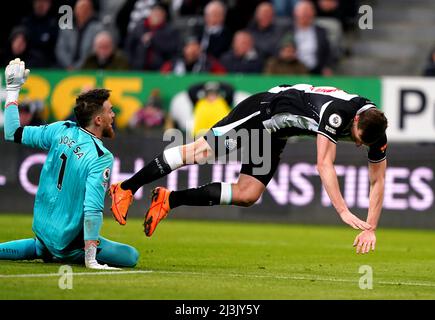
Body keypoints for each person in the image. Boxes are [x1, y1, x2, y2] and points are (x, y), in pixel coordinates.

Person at [110, 83, 388, 255]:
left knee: (247, 194)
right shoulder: (337, 114)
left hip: (277, 132)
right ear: (356, 122)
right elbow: (324, 164)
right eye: (357, 139)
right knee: (200, 151)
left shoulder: (377, 131)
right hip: (263, 111)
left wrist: (371, 227)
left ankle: (169, 200)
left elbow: (378, 181)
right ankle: (126, 187)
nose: (357, 145)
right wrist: (342, 210)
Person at [0, 58, 139, 269]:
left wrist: (12, 90)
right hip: (67, 239)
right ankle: (66, 254)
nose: (114, 115)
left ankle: (43, 249)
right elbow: (93, 208)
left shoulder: (61, 129)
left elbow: (12, 133)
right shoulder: (101, 156)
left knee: (40, 247)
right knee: (131, 256)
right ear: (98, 120)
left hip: (43, 229)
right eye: (110, 110)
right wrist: (91, 258)